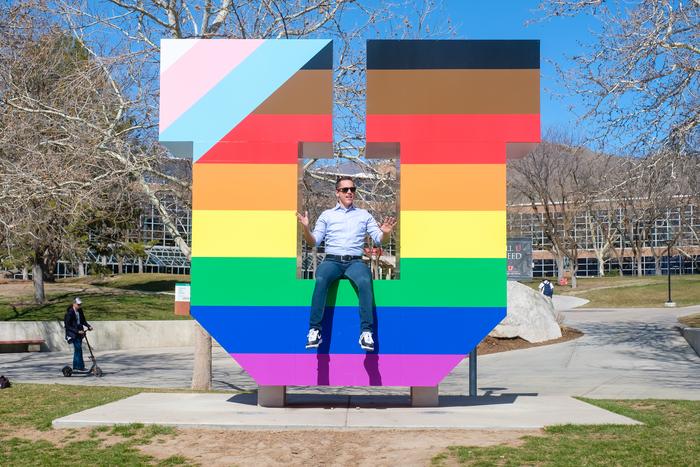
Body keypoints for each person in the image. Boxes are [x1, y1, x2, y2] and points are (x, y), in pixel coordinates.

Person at [297, 176, 397, 352]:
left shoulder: (364, 215)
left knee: (366, 281)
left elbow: (379, 239)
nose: (349, 192)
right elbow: (314, 242)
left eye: (352, 189)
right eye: (345, 190)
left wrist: (386, 233)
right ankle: (314, 330)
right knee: (320, 279)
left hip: (355, 262)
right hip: (332, 261)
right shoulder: (326, 215)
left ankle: (366, 333)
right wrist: (305, 228)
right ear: (337, 193)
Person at [64, 297, 93, 371]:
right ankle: (79, 366)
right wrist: (77, 331)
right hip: (72, 333)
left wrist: (88, 326)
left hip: (79, 332)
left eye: (80, 304)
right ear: (74, 304)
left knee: (78, 349)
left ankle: (76, 366)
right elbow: (67, 326)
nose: (80, 306)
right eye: (78, 304)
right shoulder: (69, 313)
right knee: (78, 348)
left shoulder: (80, 311)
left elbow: (83, 321)